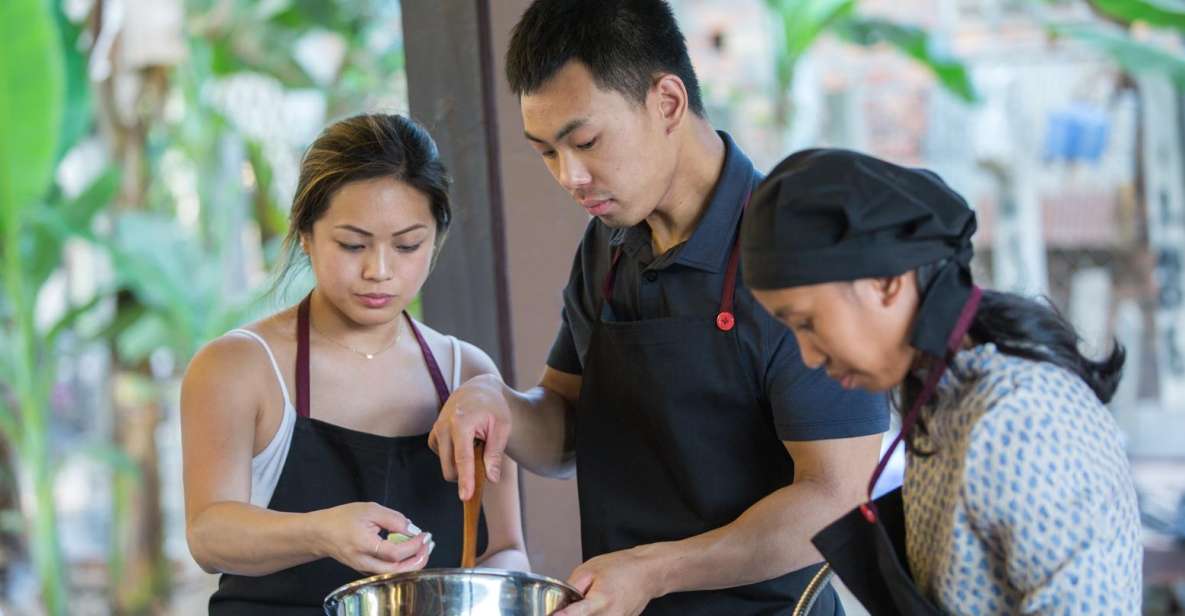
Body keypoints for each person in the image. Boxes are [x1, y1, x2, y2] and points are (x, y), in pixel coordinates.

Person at [428, 2, 889, 614]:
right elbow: (565, 424)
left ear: (667, 102)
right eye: (546, 152)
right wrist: (498, 403)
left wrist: (656, 571)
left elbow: (837, 493)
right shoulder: (608, 245)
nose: (570, 176)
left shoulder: (804, 248)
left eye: (585, 141)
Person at [740, 148, 1142, 615]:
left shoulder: (1022, 418)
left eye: (807, 323)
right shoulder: (942, 402)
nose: (808, 355)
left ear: (887, 282)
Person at [181, 113, 529, 615]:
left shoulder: (467, 374)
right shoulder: (238, 367)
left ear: (437, 239)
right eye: (352, 244)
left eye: (408, 245)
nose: (379, 271)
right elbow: (208, 535)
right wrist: (319, 532)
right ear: (305, 233)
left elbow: (505, 547)